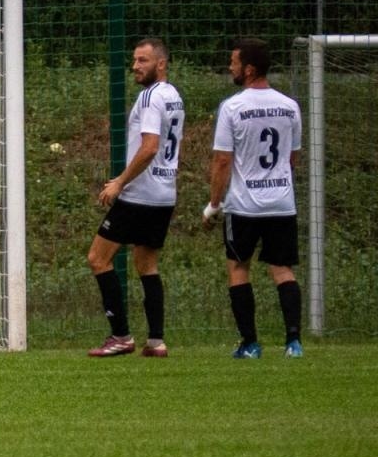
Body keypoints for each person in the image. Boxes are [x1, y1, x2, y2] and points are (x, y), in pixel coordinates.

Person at [204, 36, 305, 358]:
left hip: (245, 206)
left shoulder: (233, 107)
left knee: (238, 267)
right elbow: (293, 158)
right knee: (282, 269)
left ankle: (250, 344)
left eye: (234, 62)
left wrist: (214, 204)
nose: (230, 67)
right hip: (281, 203)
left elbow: (222, 161)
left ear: (248, 69)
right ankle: (293, 343)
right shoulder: (289, 106)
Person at [87, 37, 186, 358]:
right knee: (147, 265)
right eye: (134, 60)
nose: (135, 66)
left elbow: (150, 147)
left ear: (161, 63)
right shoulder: (174, 96)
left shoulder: (150, 97)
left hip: (139, 194)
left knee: (98, 258)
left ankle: (121, 336)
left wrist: (119, 182)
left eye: (143, 60)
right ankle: (156, 341)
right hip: (164, 194)